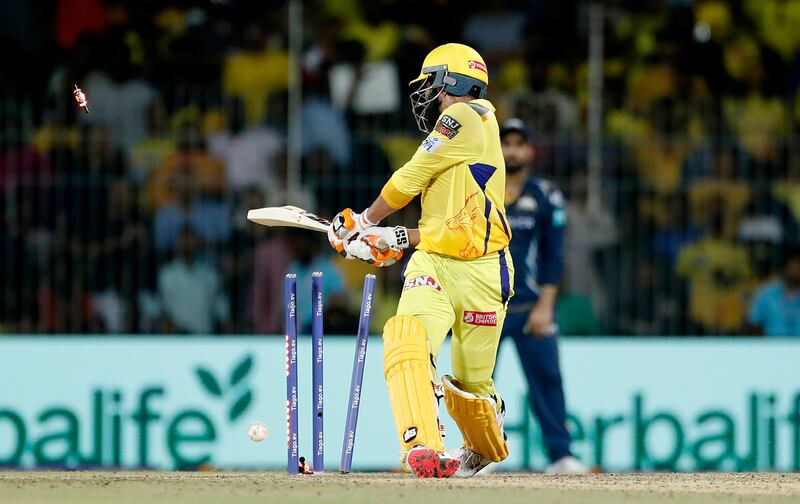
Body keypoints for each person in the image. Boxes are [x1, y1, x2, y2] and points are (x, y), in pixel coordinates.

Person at [327, 43, 513, 478]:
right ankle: (424, 446)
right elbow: (448, 219)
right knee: (407, 336)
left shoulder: (468, 115)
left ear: (451, 81)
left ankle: (484, 434)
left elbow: (409, 176)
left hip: (487, 271)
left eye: (432, 82)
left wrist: (364, 221)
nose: (427, 92)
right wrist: (391, 237)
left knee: (471, 390)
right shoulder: (463, 134)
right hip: (434, 263)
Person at [500, 118, 588, 474]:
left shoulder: (546, 195)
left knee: (548, 380)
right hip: (485, 305)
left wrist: (546, 306)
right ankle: (476, 453)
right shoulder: (478, 190)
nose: (512, 150)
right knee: (473, 387)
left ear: (531, 151)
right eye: (506, 143)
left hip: (530, 307)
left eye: (519, 144)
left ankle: (560, 455)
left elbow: (555, 255)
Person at [748, 248, 800, 337]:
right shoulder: (766, 294)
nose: (795, 272)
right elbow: (754, 324)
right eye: (792, 268)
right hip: (771, 347)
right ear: (785, 269)